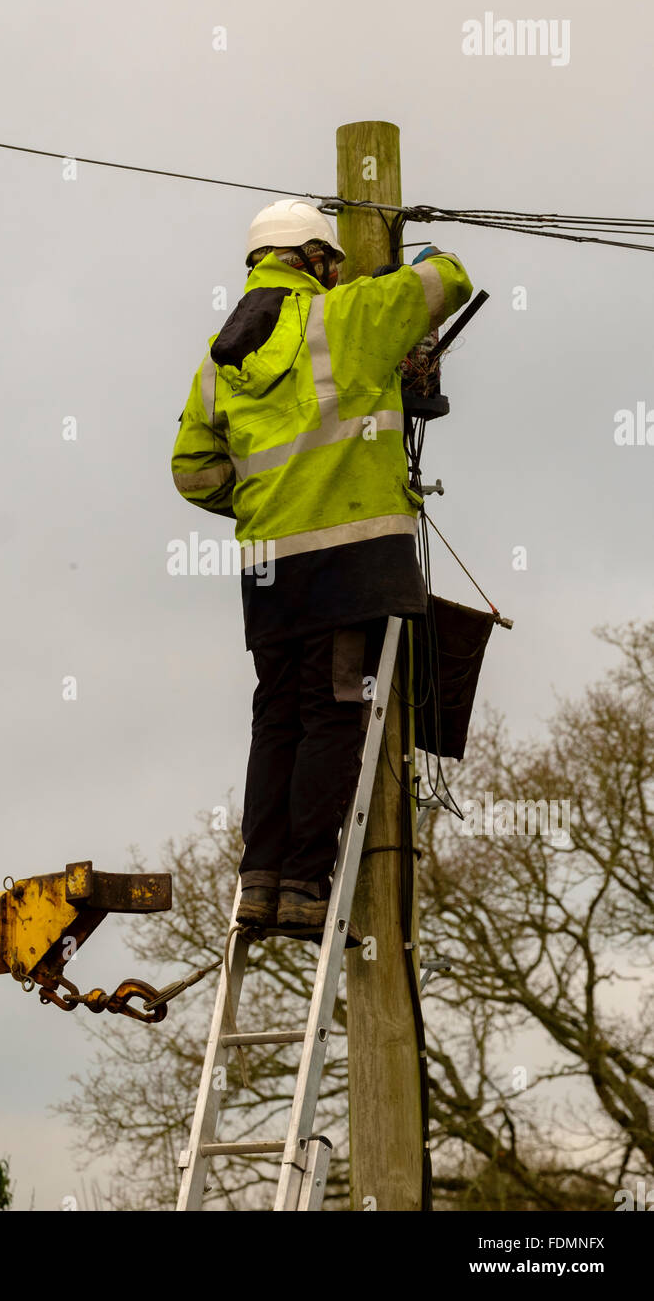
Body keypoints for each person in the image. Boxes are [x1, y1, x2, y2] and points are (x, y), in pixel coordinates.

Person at [172, 198, 472, 930]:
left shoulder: (220, 357)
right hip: (352, 562)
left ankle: (262, 880)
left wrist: (266, 503)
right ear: (315, 259)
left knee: (277, 720)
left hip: (272, 569)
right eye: (332, 262)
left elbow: (194, 473)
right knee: (334, 712)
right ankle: (305, 885)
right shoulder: (348, 315)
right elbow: (453, 279)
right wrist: (417, 263)